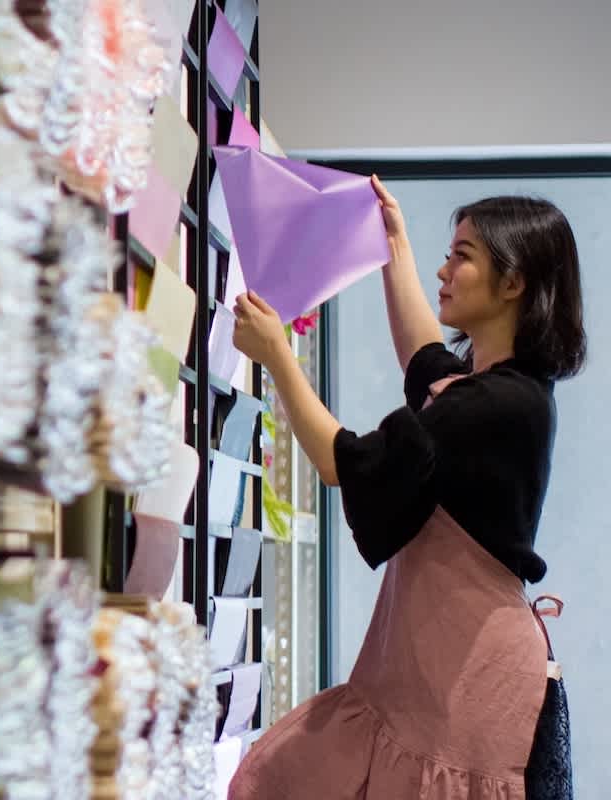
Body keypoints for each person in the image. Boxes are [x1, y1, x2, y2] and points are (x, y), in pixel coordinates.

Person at [226, 179, 586, 799]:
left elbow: (349, 463)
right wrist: (395, 244)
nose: (446, 270)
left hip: (463, 677)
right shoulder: (497, 392)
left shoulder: (497, 406)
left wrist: (278, 356)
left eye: (464, 255)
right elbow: (424, 360)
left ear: (513, 282)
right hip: (435, 662)